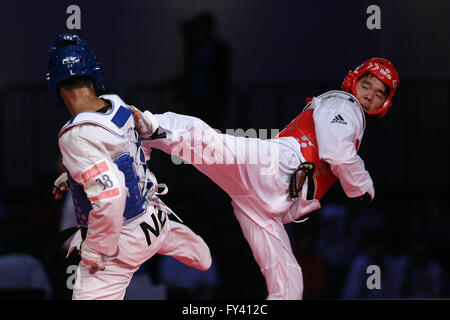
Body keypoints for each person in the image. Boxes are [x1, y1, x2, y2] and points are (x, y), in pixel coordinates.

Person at [131, 57, 400, 300]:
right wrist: (362, 186)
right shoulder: (346, 103)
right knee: (212, 144)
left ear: (385, 103)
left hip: (268, 203)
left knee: (289, 281)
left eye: (378, 94)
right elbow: (338, 154)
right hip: (276, 168)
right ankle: (148, 125)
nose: (369, 96)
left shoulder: (349, 112)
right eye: (366, 86)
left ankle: (149, 134)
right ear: (353, 81)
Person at [47, 33, 211, 300]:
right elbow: (126, 156)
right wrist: (73, 176)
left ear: (56, 87)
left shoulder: (75, 135)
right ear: (94, 74)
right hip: (154, 222)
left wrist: (95, 251)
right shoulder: (119, 107)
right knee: (201, 259)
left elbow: (111, 195)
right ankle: (189, 245)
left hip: (119, 244)